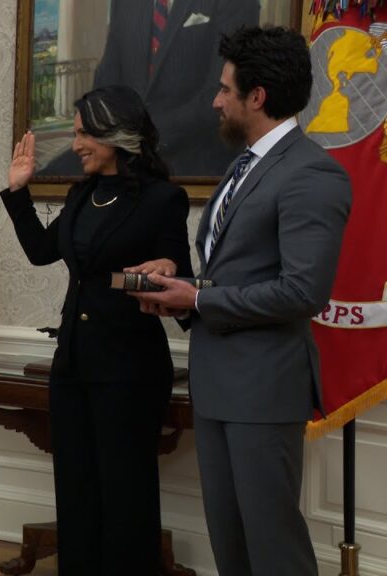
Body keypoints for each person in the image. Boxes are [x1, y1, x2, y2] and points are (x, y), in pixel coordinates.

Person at [133, 26, 351, 575]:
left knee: (273, 550)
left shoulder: (312, 174)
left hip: (263, 391)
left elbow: (304, 291)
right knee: (232, 548)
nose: (215, 99)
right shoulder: (244, 165)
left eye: (225, 89)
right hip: (219, 385)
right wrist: (181, 286)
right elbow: (235, 274)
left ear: (257, 97)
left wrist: (200, 299)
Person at [1, 85, 192, 574]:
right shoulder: (81, 194)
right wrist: (18, 190)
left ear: (117, 135)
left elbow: (179, 271)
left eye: (84, 132)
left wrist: (168, 265)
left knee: (127, 497)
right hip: (74, 366)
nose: (76, 141)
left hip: (130, 370)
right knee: (77, 492)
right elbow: (43, 251)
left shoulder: (162, 198)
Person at [43, 0, 259, 177]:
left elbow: (220, 96)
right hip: (124, 146)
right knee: (48, 177)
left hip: (191, 150)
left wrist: (141, 137)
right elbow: (107, 78)